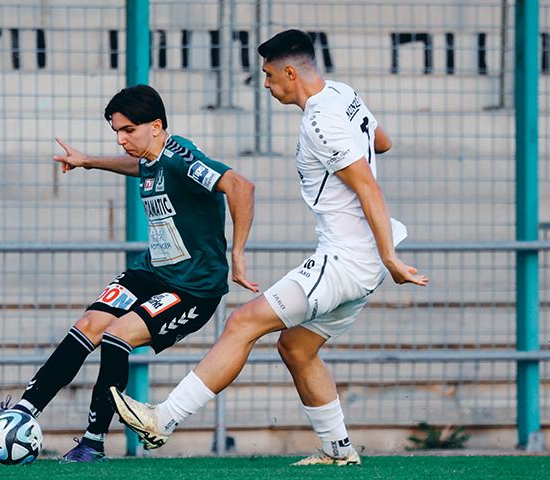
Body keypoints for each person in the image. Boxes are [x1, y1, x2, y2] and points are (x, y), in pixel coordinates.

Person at [108, 30, 428, 466]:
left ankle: (164, 418)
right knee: (296, 348)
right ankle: (338, 451)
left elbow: (368, 188)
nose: (265, 83)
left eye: (268, 74)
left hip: (346, 260)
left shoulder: (320, 119)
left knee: (243, 321)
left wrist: (391, 257)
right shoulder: (343, 95)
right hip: (361, 261)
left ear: (290, 72)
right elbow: (382, 142)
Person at [0, 84, 258, 463]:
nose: (121, 140)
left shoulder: (181, 157)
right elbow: (140, 167)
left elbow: (240, 186)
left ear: (155, 125)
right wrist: (90, 161)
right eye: (116, 132)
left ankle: (93, 442)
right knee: (89, 324)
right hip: (152, 272)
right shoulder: (152, 158)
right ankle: (22, 413)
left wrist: (237, 254)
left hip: (193, 288)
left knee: (117, 335)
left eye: (128, 131)